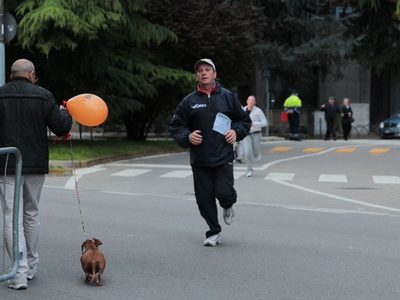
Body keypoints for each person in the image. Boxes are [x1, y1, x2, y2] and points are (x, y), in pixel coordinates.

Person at [0, 59, 72, 289]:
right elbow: (61, 127)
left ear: (12, 75)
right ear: (31, 74)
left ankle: (18, 272)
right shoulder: (43, 95)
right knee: (31, 213)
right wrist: (64, 113)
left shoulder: (0, 94)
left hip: (7, 163)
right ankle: (31, 264)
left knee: (12, 216)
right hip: (34, 165)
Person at [169, 58, 251, 247]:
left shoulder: (228, 97)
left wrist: (235, 131)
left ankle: (228, 204)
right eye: (200, 71)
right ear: (197, 76)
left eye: (207, 70)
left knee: (225, 193)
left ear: (214, 74)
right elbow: (177, 125)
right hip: (200, 158)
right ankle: (213, 231)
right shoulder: (189, 101)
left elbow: (243, 121)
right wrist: (188, 137)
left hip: (223, 157)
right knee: (204, 199)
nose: (203, 73)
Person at [243, 95, 268, 177]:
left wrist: (255, 124)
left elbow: (265, 123)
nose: (250, 102)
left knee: (255, 150)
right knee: (248, 151)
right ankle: (249, 170)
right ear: (247, 101)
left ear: (255, 102)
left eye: (252, 100)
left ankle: (257, 154)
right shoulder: (242, 110)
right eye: (249, 100)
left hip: (256, 133)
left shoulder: (258, 111)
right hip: (246, 134)